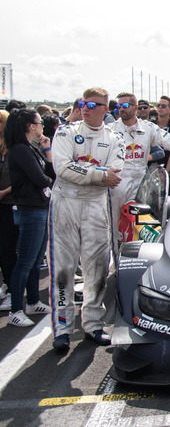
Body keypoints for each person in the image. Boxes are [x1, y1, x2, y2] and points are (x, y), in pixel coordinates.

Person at [49, 88, 125, 352]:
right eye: (83, 103)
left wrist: (93, 174)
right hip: (65, 202)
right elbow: (62, 167)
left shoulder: (115, 137)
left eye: (93, 104)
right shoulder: (65, 132)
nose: (86, 107)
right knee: (63, 269)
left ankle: (93, 324)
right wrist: (98, 174)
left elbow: (116, 172)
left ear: (106, 109)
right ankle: (62, 329)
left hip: (95, 204)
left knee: (97, 269)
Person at [110, 93, 170, 254]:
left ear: (135, 108)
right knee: (115, 232)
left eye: (125, 105)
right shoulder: (111, 130)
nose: (121, 109)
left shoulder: (147, 127)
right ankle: (116, 266)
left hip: (141, 187)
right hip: (116, 188)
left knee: (143, 229)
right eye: (119, 106)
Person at [5, 109, 55, 327]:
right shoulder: (20, 151)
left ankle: (33, 301)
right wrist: (48, 173)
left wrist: (47, 149)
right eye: (39, 122)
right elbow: (43, 179)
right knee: (25, 261)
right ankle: (16, 309)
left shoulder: (30, 148)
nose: (42, 125)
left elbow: (48, 175)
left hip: (40, 207)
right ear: (30, 126)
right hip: (31, 209)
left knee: (35, 261)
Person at [0, 110, 18, 312]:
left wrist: (4, 192)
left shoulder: (14, 149)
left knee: (8, 248)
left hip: (10, 203)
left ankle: (14, 292)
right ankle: (7, 283)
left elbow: (22, 177)